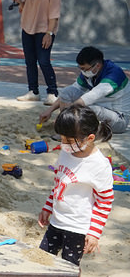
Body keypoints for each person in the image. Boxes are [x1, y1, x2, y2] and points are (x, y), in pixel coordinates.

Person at [38, 106, 114, 265]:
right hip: (56, 221)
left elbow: (104, 202)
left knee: (69, 267)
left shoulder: (99, 165)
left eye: (69, 140)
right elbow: (59, 183)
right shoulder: (65, 152)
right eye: (62, 138)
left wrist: (94, 233)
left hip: (78, 228)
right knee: (41, 260)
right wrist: (48, 207)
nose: (64, 143)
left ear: (90, 138)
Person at [38, 46, 130, 133]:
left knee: (90, 110)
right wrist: (49, 110)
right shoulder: (89, 72)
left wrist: (65, 115)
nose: (82, 71)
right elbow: (71, 91)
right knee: (67, 92)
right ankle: (65, 127)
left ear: (97, 65)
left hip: (119, 118)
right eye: (80, 68)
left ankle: (67, 127)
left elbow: (91, 96)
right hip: (99, 107)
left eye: (84, 69)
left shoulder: (114, 74)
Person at [12, 0, 61, 104]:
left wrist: (49, 33)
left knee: (44, 61)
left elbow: (54, 13)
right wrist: (19, 1)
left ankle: (52, 93)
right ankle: (33, 91)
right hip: (27, 28)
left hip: (44, 30)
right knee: (30, 62)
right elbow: (26, 7)